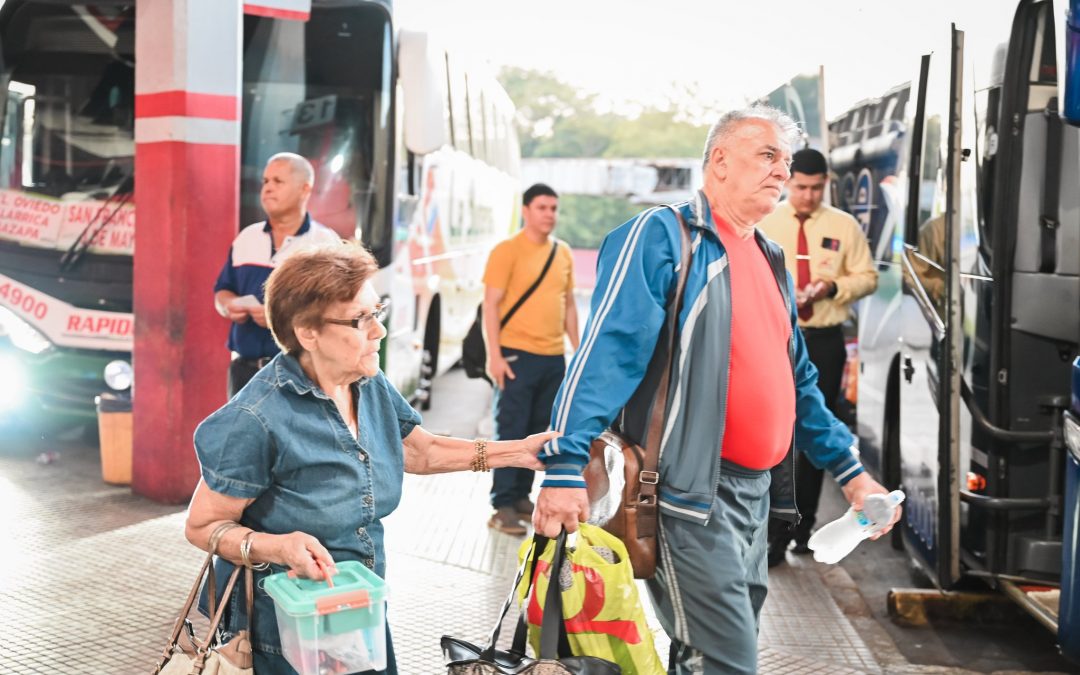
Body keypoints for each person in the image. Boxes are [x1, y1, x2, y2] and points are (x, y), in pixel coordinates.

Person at [531, 105, 899, 675]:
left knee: (709, 654)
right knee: (726, 660)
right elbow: (604, 357)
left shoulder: (770, 257)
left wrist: (851, 473)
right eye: (768, 155)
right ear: (720, 161)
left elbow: (799, 382)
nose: (782, 171)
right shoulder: (662, 237)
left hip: (756, 497)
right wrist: (562, 469)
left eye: (786, 161)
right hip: (687, 497)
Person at [185, 241, 555, 674]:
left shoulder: (366, 381)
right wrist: (279, 547)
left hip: (357, 609)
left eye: (377, 312)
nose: (379, 330)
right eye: (360, 319)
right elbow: (202, 526)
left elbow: (418, 449)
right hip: (285, 630)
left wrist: (519, 452)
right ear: (308, 333)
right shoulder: (256, 418)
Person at [758, 148, 878, 566]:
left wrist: (832, 288)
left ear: (826, 184)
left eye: (816, 188)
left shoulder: (843, 225)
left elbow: (868, 276)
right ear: (787, 183)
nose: (807, 196)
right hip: (774, 340)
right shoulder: (765, 222)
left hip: (824, 341)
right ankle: (772, 532)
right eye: (800, 187)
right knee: (776, 436)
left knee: (813, 434)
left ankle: (800, 528)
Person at [482, 183, 579, 535]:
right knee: (512, 430)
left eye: (554, 208)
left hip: (553, 358)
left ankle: (522, 495)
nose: (549, 214)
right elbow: (490, 306)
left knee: (540, 432)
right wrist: (495, 356)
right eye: (542, 207)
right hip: (515, 357)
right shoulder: (507, 251)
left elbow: (569, 305)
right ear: (525, 210)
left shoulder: (563, 252)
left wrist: (578, 351)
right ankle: (503, 504)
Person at [213, 152, 340, 398]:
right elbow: (223, 289)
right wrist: (228, 305)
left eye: (278, 181)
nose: (268, 188)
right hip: (245, 373)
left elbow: (334, 311)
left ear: (305, 189)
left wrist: (282, 318)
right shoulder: (247, 238)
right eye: (265, 181)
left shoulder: (324, 244)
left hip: (301, 372)